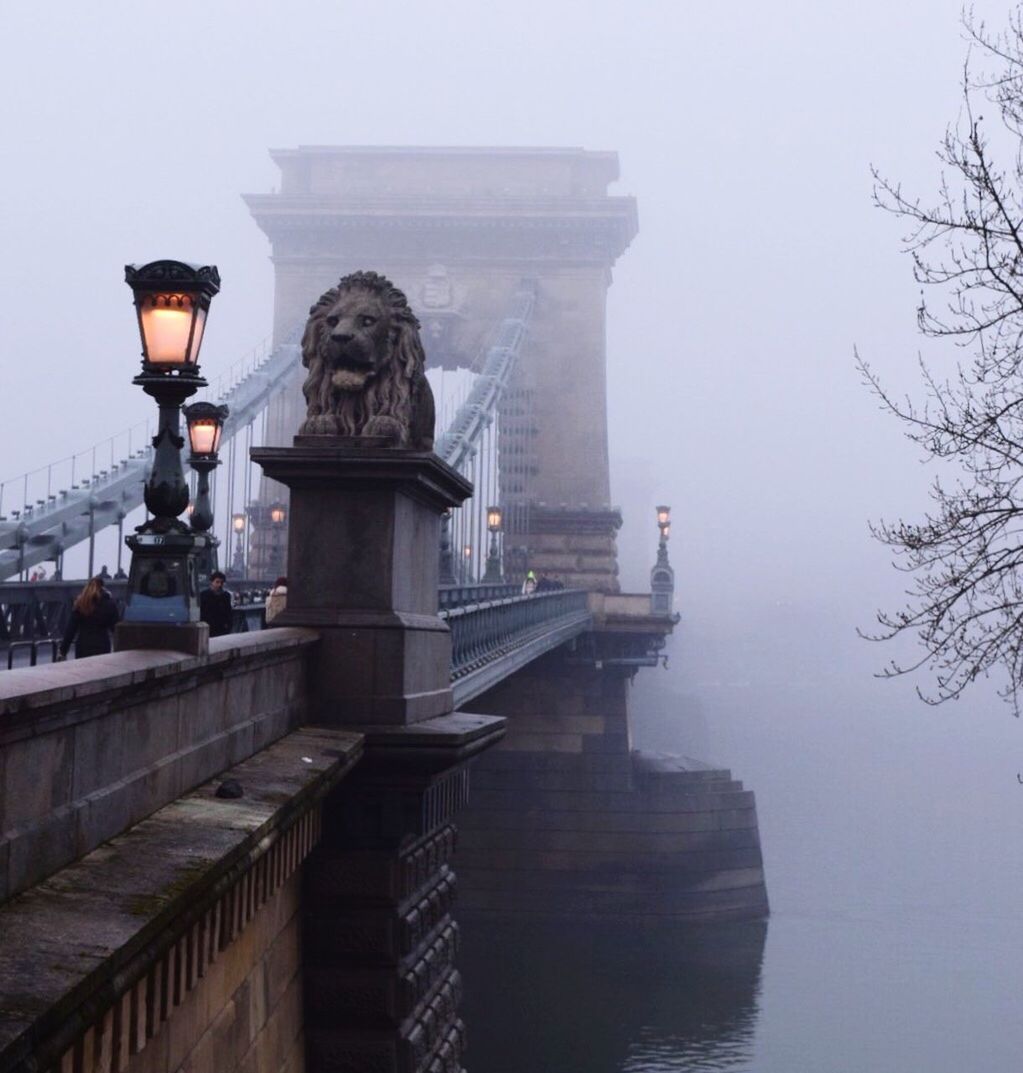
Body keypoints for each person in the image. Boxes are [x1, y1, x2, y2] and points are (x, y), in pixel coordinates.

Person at [59, 576, 119, 659]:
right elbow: (116, 629)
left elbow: (70, 630)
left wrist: (63, 651)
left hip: (83, 647)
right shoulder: (109, 604)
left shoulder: (80, 603)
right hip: (102, 646)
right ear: (103, 587)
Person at [199, 571, 234, 637]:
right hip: (209, 629)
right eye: (217, 582)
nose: (219, 585)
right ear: (211, 582)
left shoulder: (226, 596)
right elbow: (202, 613)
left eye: (222, 582)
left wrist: (228, 627)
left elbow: (229, 613)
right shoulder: (204, 595)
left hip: (222, 630)